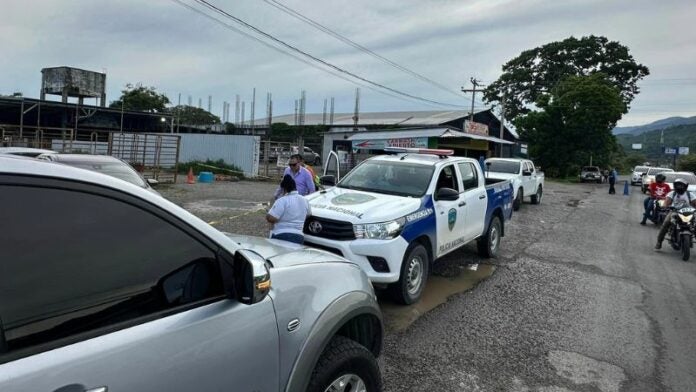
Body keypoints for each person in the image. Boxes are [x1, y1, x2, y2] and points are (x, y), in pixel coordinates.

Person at [266, 174, 311, 244]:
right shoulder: (305, 200)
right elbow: (308, 214)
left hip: (281, 234)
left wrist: (268, 213)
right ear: (295, 187)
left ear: (284, 189)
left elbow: (272, 218)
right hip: (299, 236)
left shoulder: (282, 200)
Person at [655, 178, 696, 250]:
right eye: (677, 185)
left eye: (681, 185)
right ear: (675, 186)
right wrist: (664, 206)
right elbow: (666, 203)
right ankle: (659, 242)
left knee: (695, 225)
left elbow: (695, 203)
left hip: (688, 212)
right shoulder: (672, 194)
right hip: (674, 211)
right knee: (666, 223)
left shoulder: (690, 195)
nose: (679, 187)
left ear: (685, 186)